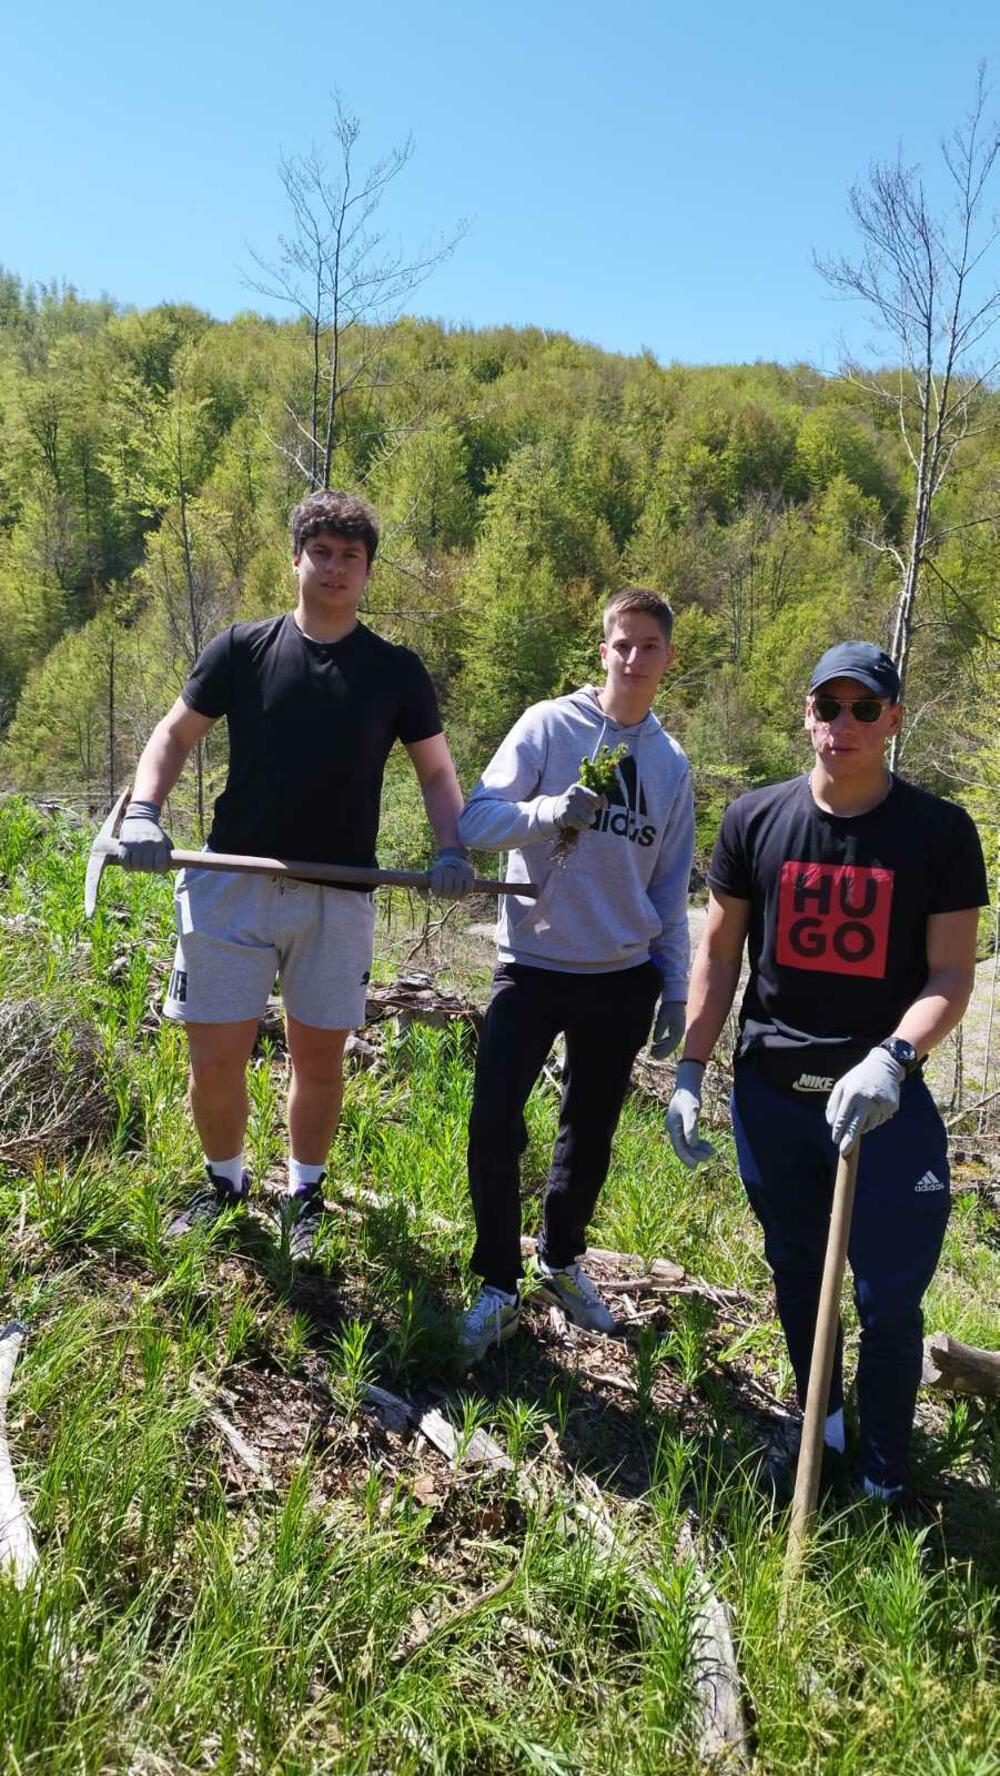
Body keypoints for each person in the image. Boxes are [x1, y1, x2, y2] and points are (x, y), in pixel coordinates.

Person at [666, 641, 988, 1505]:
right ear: (806, 713)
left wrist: (894, 1058)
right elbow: (720, 949)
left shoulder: (939, 833)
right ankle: (822, 1424)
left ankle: (885, 1467)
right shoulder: (754, 820)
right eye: (827, 706)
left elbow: (952, 976)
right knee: (800, 1273)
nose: (842, 724)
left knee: (888, 1297)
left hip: (885, 1105)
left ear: (890, 719)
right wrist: (691, 1068)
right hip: (774, 1097)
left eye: (863, 709)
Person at [117, 489, 474, 1255]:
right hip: (230, 884)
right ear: (297, 560)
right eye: (323, 552)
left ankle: (305, 1196)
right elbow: (172, 737)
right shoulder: (241, 649)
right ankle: (225, 1184)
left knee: (319, 1061)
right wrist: (144, 813)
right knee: (216, 1058)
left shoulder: (396, 672)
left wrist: (451, 848)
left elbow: (438, 777)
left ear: (369, 571)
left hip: (337, 896)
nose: (336, 567)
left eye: (352, 556)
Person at [456, 587, 695, 1362]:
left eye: (649, 646)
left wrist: (677, 985)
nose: (633, 658)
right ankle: (496, 1283)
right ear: (603, 650)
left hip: (621, 977)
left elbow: (671, 886)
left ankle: (559, 1260)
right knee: (494, 1119)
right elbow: (476, 821)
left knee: (587, 1133)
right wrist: (552, 810)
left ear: (666, 657)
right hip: (530, 964)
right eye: (621, 644)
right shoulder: (547, 725)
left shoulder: (669, 763)